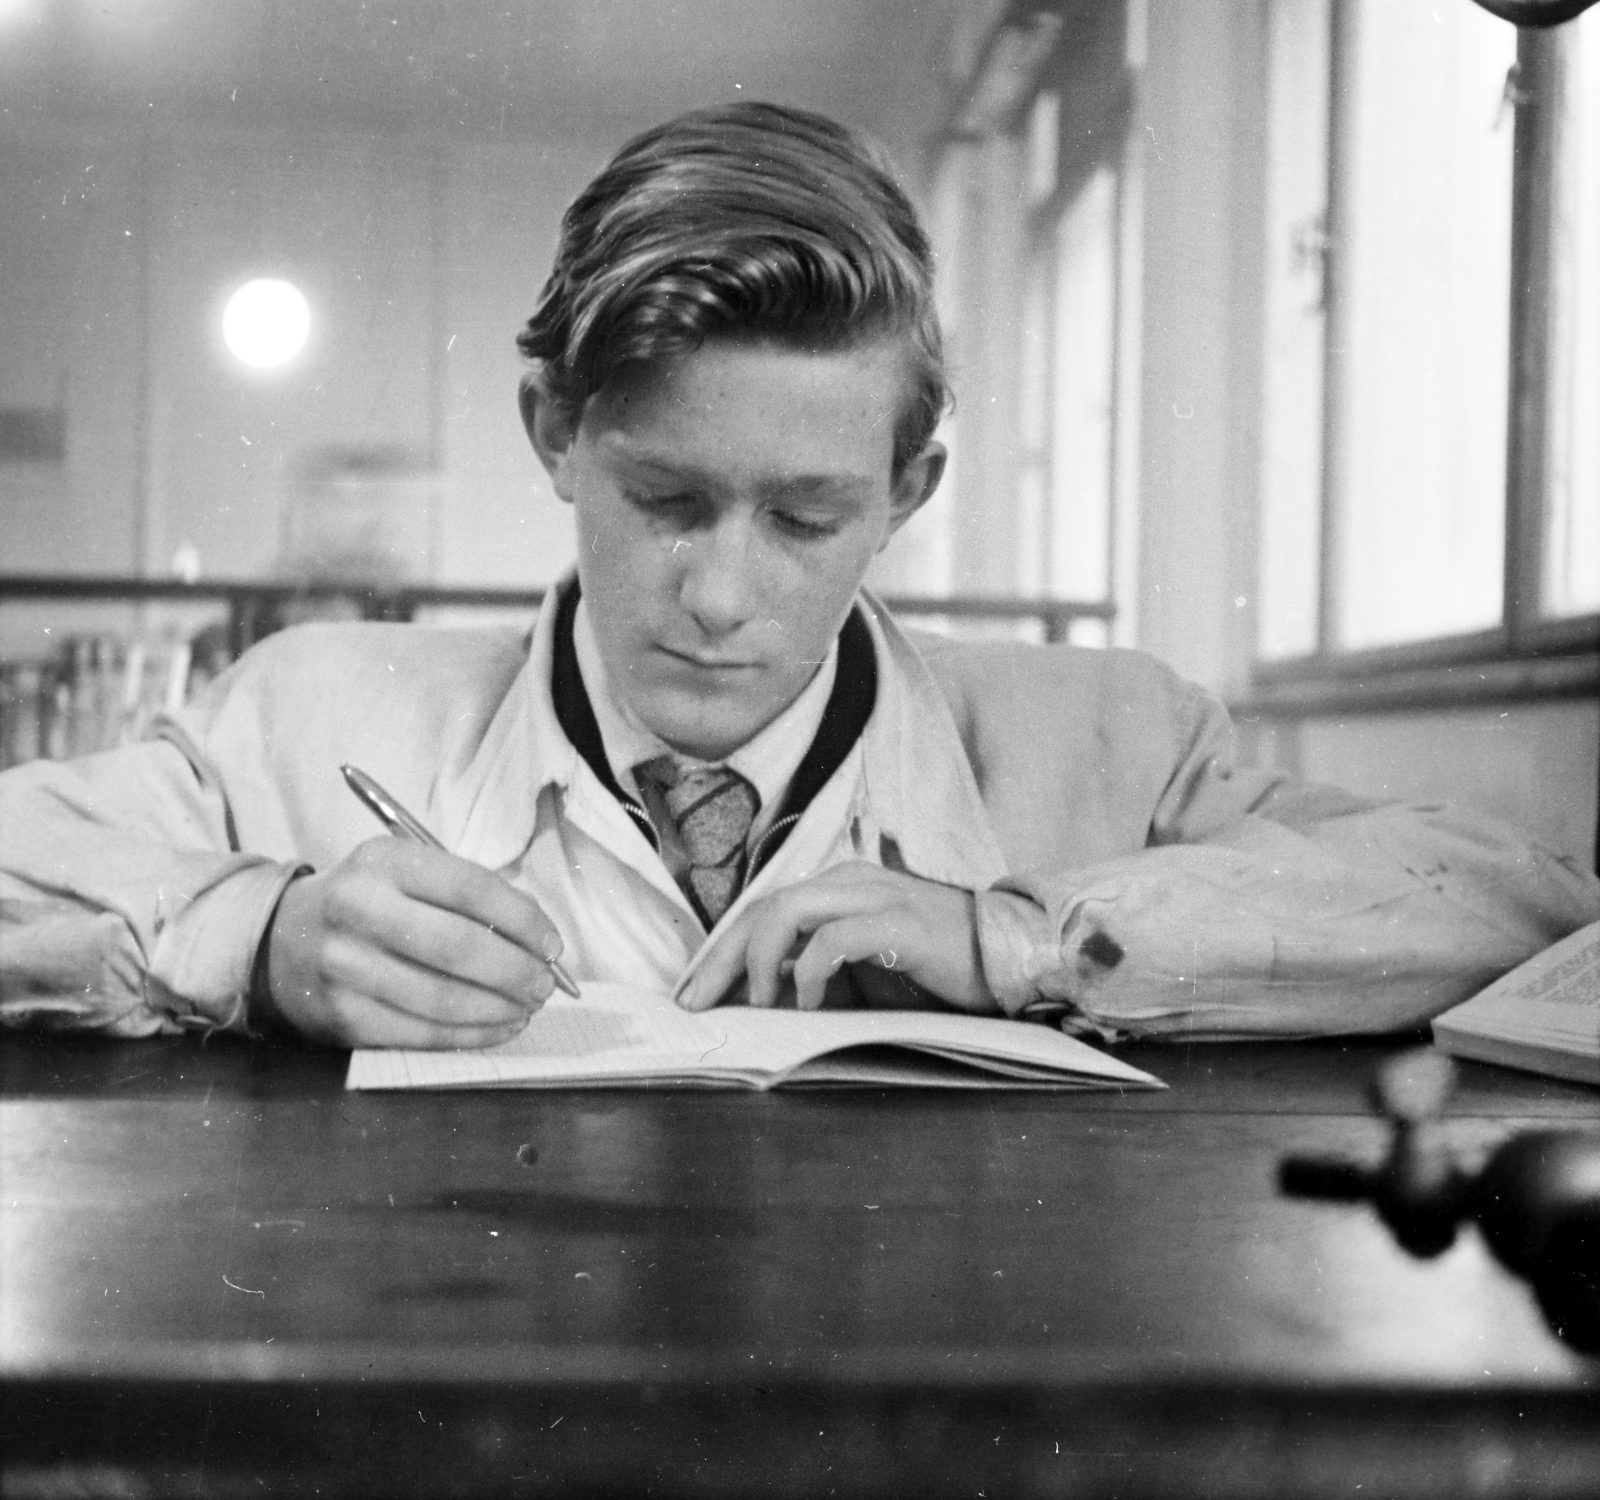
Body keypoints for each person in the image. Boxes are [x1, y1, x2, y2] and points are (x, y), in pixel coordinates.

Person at [1, 102, 1596, 1050]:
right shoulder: (301, 712)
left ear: (912, 488)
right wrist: (263, 944)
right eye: (667, 498)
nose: (715, 594)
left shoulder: (1115, 744)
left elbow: (1522, 902)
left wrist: (1021, 942)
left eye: (805, 518)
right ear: (553, 431)